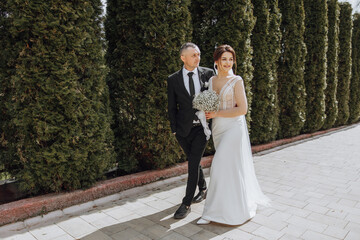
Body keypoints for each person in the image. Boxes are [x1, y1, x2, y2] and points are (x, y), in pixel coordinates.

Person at [197, 45, 270, 225]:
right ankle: (215, 210)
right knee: (227, 169)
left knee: (220, 164)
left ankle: (227, 212)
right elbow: (213, 105)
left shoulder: (237, 81)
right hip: (218, 128)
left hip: (234, 128)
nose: (228, 63)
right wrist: (207, 111)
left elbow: (242, 109)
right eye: (224, 59)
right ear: (216, 61)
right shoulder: (212, 81)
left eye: (231, 59)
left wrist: (216, 113)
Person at [167, 43, 215, 219]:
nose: (197, 58)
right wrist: (174, 130)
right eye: (193, 55)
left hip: (202, 129)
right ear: (183, 58)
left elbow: (213, 98)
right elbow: (172, 106)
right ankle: (203, 188)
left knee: (193, 163)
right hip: (182, 130)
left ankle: (186, 203)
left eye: (199, 54)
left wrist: (212, 119)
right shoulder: (173, 79)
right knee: (194, 161)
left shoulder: (208, 74)